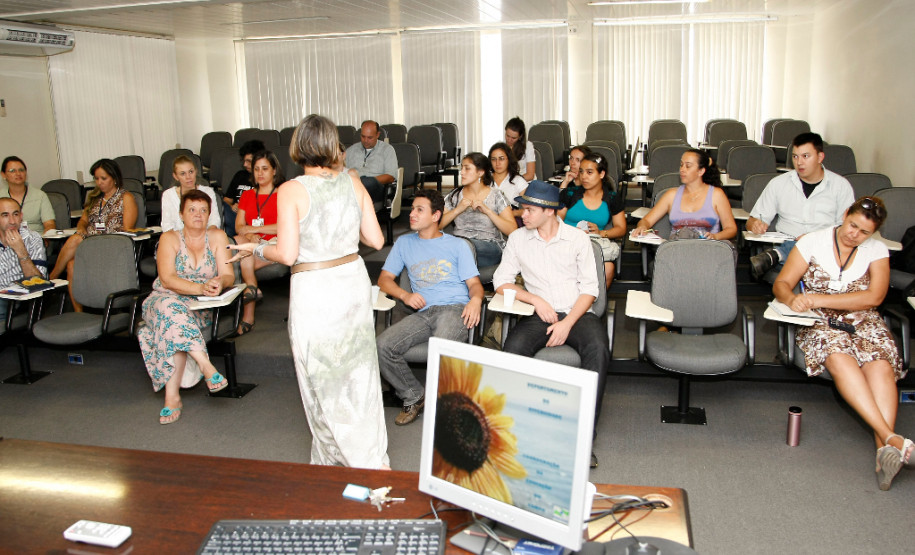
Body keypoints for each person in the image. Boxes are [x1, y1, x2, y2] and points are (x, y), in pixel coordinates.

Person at [228, 114, 389, 469]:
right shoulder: (353, 182)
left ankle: (335, 463)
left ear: (298, 146)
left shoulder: (291, 190)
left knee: (321, 378)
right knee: (359, 375)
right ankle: (371, 460)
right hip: (351, 283)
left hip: (316, 289)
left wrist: (254, 248)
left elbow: (287, 254)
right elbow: (376, 240)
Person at [772, 197, 912, 490]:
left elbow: (874, 297)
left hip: (864, 320)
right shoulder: (813, 241)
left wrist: (818, 297)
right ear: (845, 214)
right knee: (839, 358)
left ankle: (884, 450)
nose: (854, 234)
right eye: (852, 225)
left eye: (864, 232)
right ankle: (889, 439)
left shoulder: (877, 250)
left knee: (881, 365)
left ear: (873, 233)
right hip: (820, 321)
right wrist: (792, 299)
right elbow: (781, 284)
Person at [492, 180, 609, 468]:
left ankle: (583, 439)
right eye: (523, 209)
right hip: (539, 314)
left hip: (577, 312)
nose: (523, 215)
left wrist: (567, 323)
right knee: (512, 351)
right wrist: (534, 299)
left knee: (598, 350)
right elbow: (500, 282)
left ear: (549, 211)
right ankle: (517, 432)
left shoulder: (577, 239)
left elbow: (590, 290)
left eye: (529, 210)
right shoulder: (518, 239)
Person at [376, 189, 484, 426]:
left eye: (419, 210)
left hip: (454, 308)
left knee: (440, 347)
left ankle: (448, 406)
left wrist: (475, 300)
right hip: (423, 313)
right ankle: (414, 396)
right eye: (412, 209)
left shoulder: (457, 245)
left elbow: (475, 284)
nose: (412, 214)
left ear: (436, 216)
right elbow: (384, 280)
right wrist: (405, 295)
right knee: (383, 346)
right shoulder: (404, 243)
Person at [137, 190, 234, 425]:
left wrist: (219, 283)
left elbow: (228, 275)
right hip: (162, 299)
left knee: (174, 324)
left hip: (197, 307)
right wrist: (201, 287)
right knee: (171, 309)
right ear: (181, 214)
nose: (198, 214)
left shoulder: (218, 237)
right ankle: (206, 365)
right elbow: (167, 279)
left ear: (209, 215)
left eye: (203, 210)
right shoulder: (169, 238)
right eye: (192, 209)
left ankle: (172, 398)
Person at [748, 132, 854, 279]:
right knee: (798, 253)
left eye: (805, 156)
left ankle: (778, 255)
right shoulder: (778, 184)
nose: (799, 162)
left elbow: (846, 228)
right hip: (789, 247)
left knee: (813, 247)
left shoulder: (841, 186)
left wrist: (815, 238)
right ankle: (782, 254)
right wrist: (755, 224)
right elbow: (752, 220)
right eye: (795, 156)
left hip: (826, 251)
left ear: (820, 157)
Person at [49, 159, 137, 312]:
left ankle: (51, 279)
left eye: (104, 178)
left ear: (114, 178)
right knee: (71, 264)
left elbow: (127, 229)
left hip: (113, 246)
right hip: (89, 245)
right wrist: (81, 228)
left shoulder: (125, 197)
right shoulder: (94, 198)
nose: (99, 182)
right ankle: (79, 313)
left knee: (76, 239)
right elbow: (83, 220)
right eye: (96, 178)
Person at [632, 149, 737, 242]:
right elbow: (646, 220)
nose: (682, 169)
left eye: (688, 166)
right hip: (677, 250)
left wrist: (716, 236)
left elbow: (731, 228)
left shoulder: (717, 194)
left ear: (701, 171)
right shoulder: (671, 195)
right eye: (681, 165)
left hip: (708, 249)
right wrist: (642, 227)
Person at [234, 150, 284, 335]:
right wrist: (250, 237)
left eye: (265, 168)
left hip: (275, 244)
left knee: (236, 265)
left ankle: (248, 315)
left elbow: (283, 226)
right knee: (239, 241)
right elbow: (239, 226)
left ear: (274, 170)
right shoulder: (248, 195)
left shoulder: (283, 194)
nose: (260, 173)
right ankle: (252, 288)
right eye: (256, 169)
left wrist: (253, 230)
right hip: (252, 244)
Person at [558, 153, 626, 287]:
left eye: (589, 172)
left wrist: (601, 233)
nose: (584, 176)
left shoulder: (612, 198)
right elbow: (555, 221)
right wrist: (571, 232)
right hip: (566, 243)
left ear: (601, 174)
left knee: (608, 268)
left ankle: (593, 301)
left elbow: (621, 228)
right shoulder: (570, 194)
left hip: (593, 245)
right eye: (581, 172)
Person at [440, 153, 517, 268]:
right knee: (452, 247)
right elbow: (437, 224)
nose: (462, 172)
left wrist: (488, 211)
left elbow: (512, 230)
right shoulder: (455, 195)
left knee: (460, 248)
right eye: (462, 168)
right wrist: (457, 210)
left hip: (489, 246)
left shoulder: (496, 195)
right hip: (459, 245)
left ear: (480, 172)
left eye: (467, 168)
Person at [0, 198, 47, 325]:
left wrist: (21, 252)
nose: (12, 221)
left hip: (17, 299)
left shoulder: (33, 239)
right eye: (5, 215)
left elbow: (39, 284)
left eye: (15, 214)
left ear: (21, 216)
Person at [160, 156, 221, 232]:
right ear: (176, 176)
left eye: (191, 172)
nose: (188, 177)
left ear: (196, 171)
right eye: (183, 174)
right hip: (177, 237)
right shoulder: (168, 195)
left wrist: (204, 237)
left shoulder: (208, 192)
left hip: (205, 236)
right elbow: (167, 226)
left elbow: (214, 221)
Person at [345, 120, 398, 203]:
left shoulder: (387, 150)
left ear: (377, 135)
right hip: (353, 187)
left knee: (368, 182)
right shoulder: (351, 150)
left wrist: (369, 181)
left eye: (370, 138)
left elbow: (390, 177)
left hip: (376, 188)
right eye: (363, 136)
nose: (365, 140)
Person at [0, 156, 55, 233]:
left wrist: (42, 238)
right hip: (6, 238)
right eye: (12, 171)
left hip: (35, 237)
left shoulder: (40, 196)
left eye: (21, 170)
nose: (18, 173)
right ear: (3, 174)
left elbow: (50, 224)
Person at [222, 140, 265, 236]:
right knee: (220, 205)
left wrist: (244, 209)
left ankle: (230, 238)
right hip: (235, 216)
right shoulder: (240, 175)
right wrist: (232, 206)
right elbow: (227, 200)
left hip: (253, 218)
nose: (245, 164)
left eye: (248, 161)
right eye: (244, 161)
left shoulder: (264, 178)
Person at [489, 142, 527, 218]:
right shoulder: (484, 179)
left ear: (509, 159)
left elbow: (529, 209)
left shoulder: (518, 181)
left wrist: (511, 213)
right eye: (494, 159)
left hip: (509, 220)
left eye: (501, 159)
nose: (497, 163)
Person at [504, 117, 536, 181]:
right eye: (507, 136)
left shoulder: (528, 146)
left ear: (520, 137)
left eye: (513, 138)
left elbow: (530, 175)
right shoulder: (501, 147)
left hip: (525, 182)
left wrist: (512, 181)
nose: (509, 140)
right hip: (509, 183)